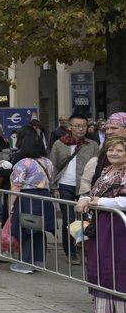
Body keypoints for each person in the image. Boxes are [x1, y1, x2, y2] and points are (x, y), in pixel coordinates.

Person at [76, 137, 126, 313]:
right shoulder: (106, 170)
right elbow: (94, 194)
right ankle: (107, 310)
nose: (114, 153)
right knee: (102, 263)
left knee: (119, 264)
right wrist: (86, 199)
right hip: (102, 223)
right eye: (111, 150)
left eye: (119, 150)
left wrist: (101, 201)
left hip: (119, 225)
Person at [48, 112, 99, 264]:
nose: (81, 129)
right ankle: (70, 253)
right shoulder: (59, 144)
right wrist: (54, 187)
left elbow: (97, 168)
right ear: (69, 127)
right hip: (65, 186)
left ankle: (86, 250)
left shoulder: (93, 145)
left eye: (84, 126)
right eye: (77, 126)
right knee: (68, 220)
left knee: (86, 220)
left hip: (85, 187)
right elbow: (53, 166)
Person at [6, 129, 56, 274]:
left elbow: (16, 185)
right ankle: (39, 261)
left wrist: (11, 204)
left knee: (26, 230)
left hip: (27, 198)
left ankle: (25, 263)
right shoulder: (47, 162)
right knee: (39, 230)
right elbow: (51, 180)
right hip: (45, 198)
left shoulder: (23, 162)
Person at [81, 112, 126, 195]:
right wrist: (86, 198)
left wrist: (100, 202)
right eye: (107, 129)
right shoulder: (103, 153)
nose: (109, 132)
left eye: (114, 128)